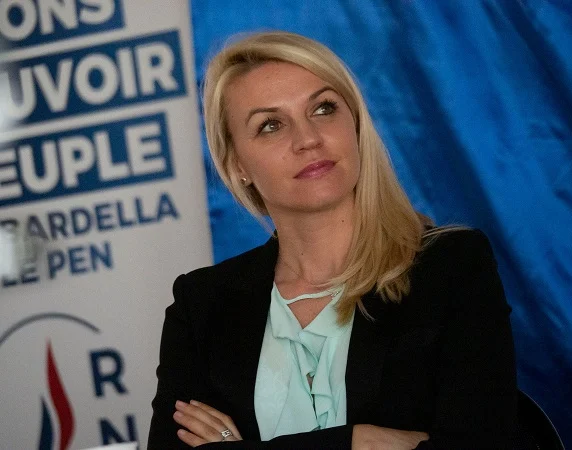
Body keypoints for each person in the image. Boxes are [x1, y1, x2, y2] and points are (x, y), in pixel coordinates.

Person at [148, 31, 517, 449]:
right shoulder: (201, 305)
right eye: (270, 125)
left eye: (323, 108)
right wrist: (360, 441)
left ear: (354, 124)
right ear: (237, 166)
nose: (308, 139)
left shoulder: (451, 264)